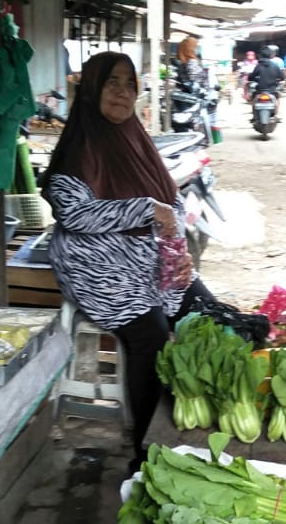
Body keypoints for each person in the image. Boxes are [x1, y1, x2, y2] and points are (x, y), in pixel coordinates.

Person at [41, 52, 217, 469]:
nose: (122, 92)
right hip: (95, 265)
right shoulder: (79, 146)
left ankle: (193, 424)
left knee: (207, 311)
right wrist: (144, 209)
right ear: (93, 89)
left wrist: (179, 255)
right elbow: (74, 214)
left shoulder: (135, 138)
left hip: (145, 257)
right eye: (111, 83)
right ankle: (146, 449)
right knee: (150, 337)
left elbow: (169, 203)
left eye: (129, 83)